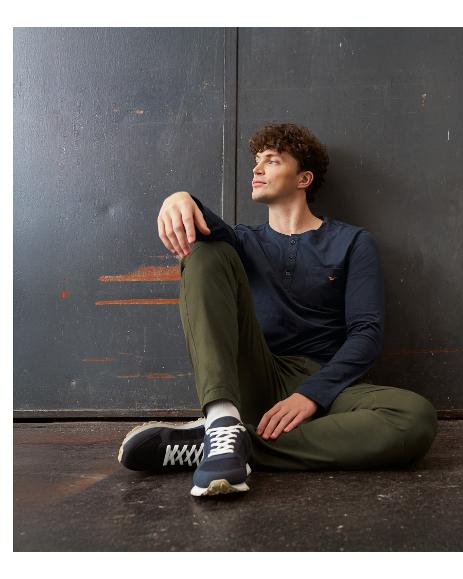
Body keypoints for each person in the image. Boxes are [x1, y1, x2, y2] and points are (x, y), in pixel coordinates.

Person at [117, 122, 438, 497]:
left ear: (303, 178)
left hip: (329, 386)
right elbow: (209, 230)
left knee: (414, 418)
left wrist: (311, 395)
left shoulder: (352, 242)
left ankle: (230, 445)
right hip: (257, 375)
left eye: (271, 161)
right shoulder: (241, 241)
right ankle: (222, 420)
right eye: (257, 161)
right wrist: (180, 197)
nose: (257, 169)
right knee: (206, 254)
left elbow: (367, 333)